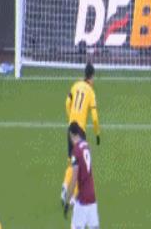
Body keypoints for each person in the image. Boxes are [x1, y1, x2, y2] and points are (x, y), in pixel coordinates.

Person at [61, 63, 101, 207]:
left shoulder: (75, 85)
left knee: (71, 162)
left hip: (71, 127)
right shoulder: (91, 92)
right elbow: (95, 118)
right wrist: (97, 133)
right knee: (80, 165)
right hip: (80, 131)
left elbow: (67, 103)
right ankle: (73, 197)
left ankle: (65, 186)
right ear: (92, 76)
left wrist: (71, 117)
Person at [63, 122, 100, 229]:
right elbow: (86, 174)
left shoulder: (76, 151)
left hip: (83, 200)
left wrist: (67, 202)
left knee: (75, 226)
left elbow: (74, 179)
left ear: (71, 134)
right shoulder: (86, 146)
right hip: (92, 196)